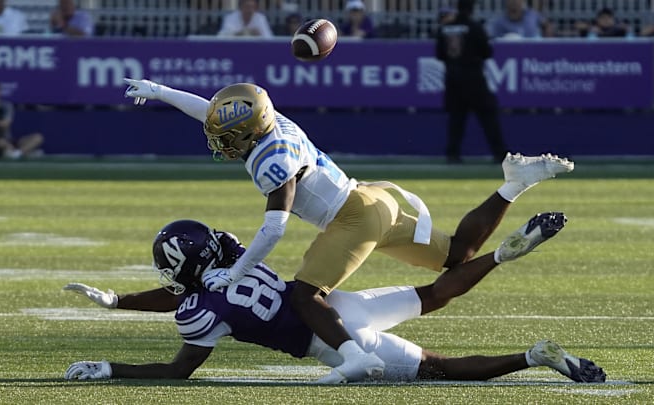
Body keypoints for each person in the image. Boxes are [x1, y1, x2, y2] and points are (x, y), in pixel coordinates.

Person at [121, 77, 574, 383]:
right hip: (373, 199)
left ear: (250, 129)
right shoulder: (272, 122)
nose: (220, 139)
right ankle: (514, 185)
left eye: (229, 135)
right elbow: (215, 113)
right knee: (456, 254)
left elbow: (274, 228)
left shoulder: (268, 160)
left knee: (304, 296)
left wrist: (235, 273)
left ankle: (355, 358)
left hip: (351, 218)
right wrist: (161, 91)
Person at [63, 217, 606, 383]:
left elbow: (178, 370)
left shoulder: (203, 310)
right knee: (434, 292)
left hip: (339, 343)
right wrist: (118, 302)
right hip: (343, 303)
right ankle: (499, 257)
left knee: (441, 370)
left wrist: (110, 367)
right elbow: (188, 288)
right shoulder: (234, 259)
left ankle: (532, 357)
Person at [436, 0, 508, 164]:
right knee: (488, 116)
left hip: (452, 78)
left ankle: (452, 154)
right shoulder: (475, 26)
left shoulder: (445, 27)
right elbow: (487, 51)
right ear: (472, 9)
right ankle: (499, 153)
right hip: (473, 77)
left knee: (456, 119)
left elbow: (439, 54)